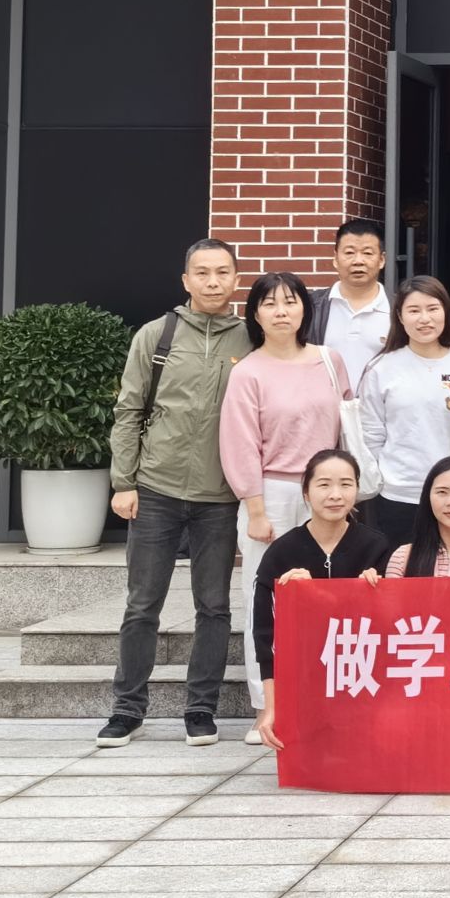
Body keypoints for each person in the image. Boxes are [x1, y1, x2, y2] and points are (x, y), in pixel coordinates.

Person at [97, 238, 254, 749]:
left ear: (236, 279)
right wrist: (124, 482)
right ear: (186, 280)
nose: (212, 281)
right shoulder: (156, 334)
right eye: (202, 272)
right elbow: (129, 411)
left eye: (222, 272)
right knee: (143, 604)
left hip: (220, 495)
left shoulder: (250, 339)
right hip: (157, 489)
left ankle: (201, 708)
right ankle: (127, 709)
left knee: (214, 606)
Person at [220, 271, 352, 743]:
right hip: (272, 493)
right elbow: (239, 445)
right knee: (265, 602)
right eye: (270, 303)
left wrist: (345, 492)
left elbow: (348, 431)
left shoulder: (330, 361)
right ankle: (266, 709)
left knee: (331, 597)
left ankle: (326, 702)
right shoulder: (248, 372)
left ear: (304, 309)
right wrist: (255, 510)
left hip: (329, 492)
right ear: (255, 314)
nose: (282, 311)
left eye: (291, 301)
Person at [252, 447, 391, 753]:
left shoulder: (376, 547)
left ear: (357, 489)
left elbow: (393, 627)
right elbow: (266, 638)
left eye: (346, 484)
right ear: (306, 492)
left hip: (362, 677)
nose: (335, 495)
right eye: (324, 485)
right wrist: (271, 708)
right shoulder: (281, 553)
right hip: (307, 678)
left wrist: (376, 592)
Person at [358, 275, 450, 549]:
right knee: (400, 570)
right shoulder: (382, 367)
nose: (424, 318)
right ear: (400, 317)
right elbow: (370, 434)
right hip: (398, 494)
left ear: (446, 312)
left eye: (432, 308)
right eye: (414, 310)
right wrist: (382, 479)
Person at [309, 217, 390, 390]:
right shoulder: (311, 307)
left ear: (382, 260)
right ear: (335, 259)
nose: (358, 261)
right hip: (324, 404)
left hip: (381, 406)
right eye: (349, 253)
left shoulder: (399, 309)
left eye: (367, 253)